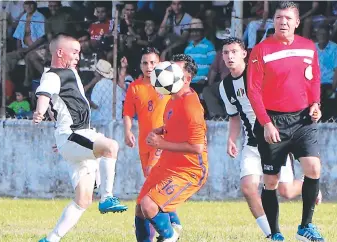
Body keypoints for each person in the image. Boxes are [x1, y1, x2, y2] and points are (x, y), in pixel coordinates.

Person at [219, 37, 322, 240]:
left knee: (286, 191)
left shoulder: (260, 73)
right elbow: (234, 117)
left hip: (275, 137)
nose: (230, 56)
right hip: (251, 143)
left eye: (234, 52)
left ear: (244, 54)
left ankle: (307, 185)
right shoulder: (225, 86)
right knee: (248, 187)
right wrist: (231, 138)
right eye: (225, 52)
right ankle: (272, 235)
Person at [34, 33, 127, 242]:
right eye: (74, 52)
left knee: (83, 200)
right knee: (110, 146)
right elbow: (44, 95)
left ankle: (51, 240)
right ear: (60, 52)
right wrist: (39, 112)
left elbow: (59, 105)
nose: (78, 56)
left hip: (75, 138)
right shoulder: (52, 75)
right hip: (74, 134)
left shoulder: (71, 73)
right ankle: (107, 197)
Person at [247, 2, 324, 241]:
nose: (283, 22)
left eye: (288, 18)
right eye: (279, 17)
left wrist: (315, 104)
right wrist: (266, 123)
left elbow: (313, 79)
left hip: (303, 120)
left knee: (313, 168)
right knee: (271, 182)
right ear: (273, 21)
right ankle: (275, 233)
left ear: (297, 22)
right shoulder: (261, 50)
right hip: (273, 121)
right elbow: (253, 90)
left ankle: (306, 226)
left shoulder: (308, 47)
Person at [135, 54, 207, 242]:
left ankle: (170, 236)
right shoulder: (172, 99)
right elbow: (175, 126)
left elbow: (197, 147)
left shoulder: (192, 105)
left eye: (175, 71)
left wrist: (161, 144)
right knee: (140, 208)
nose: (168, 73)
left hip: (189, 170)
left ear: (187, 79)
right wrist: (162, 130)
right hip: (168, 164)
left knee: (149, 205)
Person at [122, 47, 182, 238]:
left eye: (152, 63)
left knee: (153, 179)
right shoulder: (135, 87)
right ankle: (168, 221)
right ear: (140, 65)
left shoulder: (166, 84)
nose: (149, 67)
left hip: (163, 141)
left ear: (159, 64)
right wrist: (127, 131)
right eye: (145, 63)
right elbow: (128, 113)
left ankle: (172, 224)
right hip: (143, 143)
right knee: (152, 183)